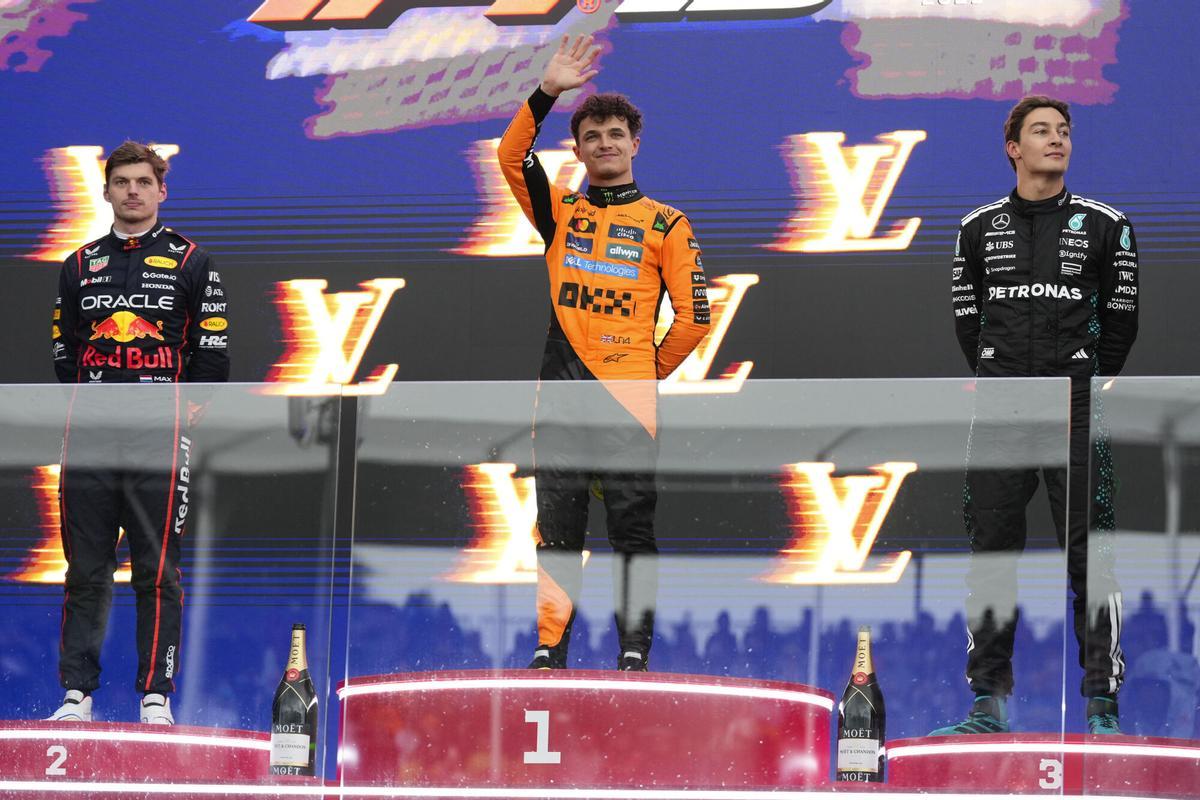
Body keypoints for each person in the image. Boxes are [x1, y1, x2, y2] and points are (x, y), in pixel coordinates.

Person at [497, 35, 709, 671]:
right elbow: (511, 155)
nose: (606, 143)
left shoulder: (667, 223)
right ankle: (549, 647)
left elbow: (696, 319)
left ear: (635, 143)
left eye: (617, 133)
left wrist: (643, 371)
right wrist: (548, 90)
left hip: (628, 404)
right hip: (559, 398)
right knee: (557, 532)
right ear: (579, 149)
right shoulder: (560, 212)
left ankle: (634, 652)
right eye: (593, 136)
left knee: (632, 534)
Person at [941, 96, 1138, 734]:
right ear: (1013, 148)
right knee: (991, 555)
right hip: (1000, 411)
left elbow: (1123, 324)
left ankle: (1102, 705)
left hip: (1077, 410)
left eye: (1064, 132)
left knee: (1092, 557)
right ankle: (987, 704)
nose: (1056, 140)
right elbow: (969, 327)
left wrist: (1083, 382)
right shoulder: (975, 228)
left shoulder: (1107, 223)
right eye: (1041, 132)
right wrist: (1002, 381)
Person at [47, 141, 230, 724]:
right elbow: (63, 352)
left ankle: (156, 696)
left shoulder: (192, 260)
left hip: (159, 436)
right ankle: (77, 695)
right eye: (121, 181)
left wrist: (185, 413)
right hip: (91, 436)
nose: (132, 191)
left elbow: (213, 352)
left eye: (142, 182)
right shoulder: (77, 264)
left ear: (161, 191)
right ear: (106, 191)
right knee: (85, 570)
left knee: (158, 569)